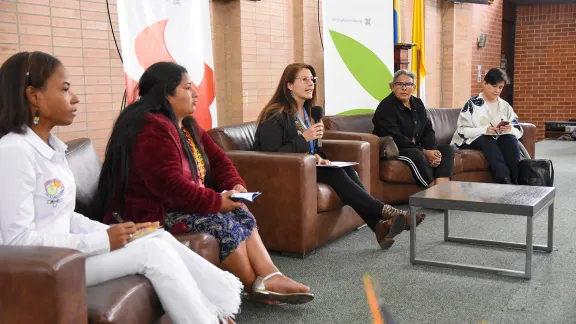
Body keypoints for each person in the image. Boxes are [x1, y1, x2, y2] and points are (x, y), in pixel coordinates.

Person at [0, 52, 242, 324]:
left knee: (155, 237)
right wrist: (101, 241)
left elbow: (63, 217)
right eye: (65, 89)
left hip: (67, 255)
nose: (75, 98)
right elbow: (16, 242)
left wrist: (122, 232)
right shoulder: (13, 152)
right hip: (45, 268)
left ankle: (218, 309)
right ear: (34, 96)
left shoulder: (51, 148)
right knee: (152, 253)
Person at [91, 61, 313, 305]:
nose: (196, 93)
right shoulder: (150, 128)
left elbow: (220, 161)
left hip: (179, 205)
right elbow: (169, 186)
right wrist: (217, 201)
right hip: (152, 214)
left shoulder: (186, 124)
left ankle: (271, 276)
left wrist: (235, 185)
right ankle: (254, 286)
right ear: (167, 93)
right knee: (220, 221)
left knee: (240, 212)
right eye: (188, 88)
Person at [254, 63, 426, 250]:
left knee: (346, 170)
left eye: (312, 79)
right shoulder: (275, 114)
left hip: (307, 166)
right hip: (285, 173)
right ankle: (388, 212)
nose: (310, 84)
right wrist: (304, 139)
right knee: (335, 174)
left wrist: (318, 156)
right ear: (289, 85)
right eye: (304, 79)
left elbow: (311, 148)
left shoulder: (307, 112)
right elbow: (270, 156)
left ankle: (378, 227)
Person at [372, 70, 455, 188]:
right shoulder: (386, 107)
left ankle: (442, 193)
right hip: (395, 149)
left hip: (416, 147)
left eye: (408, 84)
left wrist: (432, 150)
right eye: (400, 84)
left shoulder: (417, 103)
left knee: (447, 150)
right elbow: (395, 137)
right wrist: (424, 152)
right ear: (392, 86)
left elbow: (427, 129)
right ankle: (432, 192)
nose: (404, 88)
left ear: (414, 87)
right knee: (417, 154)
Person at [450, 68, 523, 184]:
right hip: (471, 140)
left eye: (500, 87)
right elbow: (462, 130)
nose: (497, 90)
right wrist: (485, 130)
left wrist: (511, 129)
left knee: (510, 139)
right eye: (494, 86)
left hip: (497, 139)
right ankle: (504, 179)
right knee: (487, 139)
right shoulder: (471, 104)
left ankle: (516, 180)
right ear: (484, 83)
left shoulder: (505, 106)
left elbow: (519, 130)